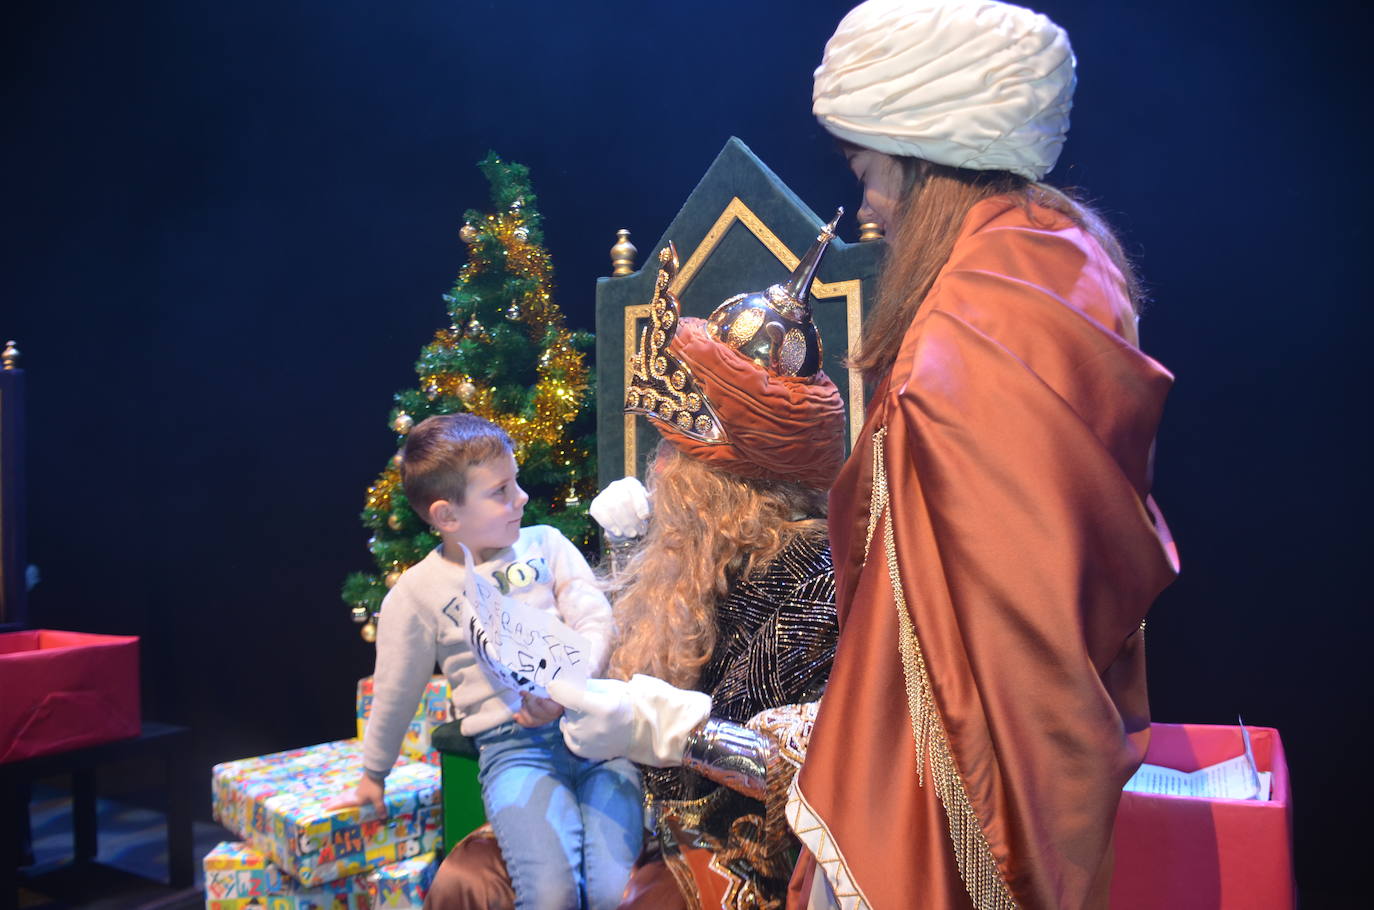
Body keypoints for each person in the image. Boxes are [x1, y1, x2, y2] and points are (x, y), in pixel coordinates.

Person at [784, 2, 1183, 907]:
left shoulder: (970, 322)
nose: (866, 204)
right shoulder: (1062, 251)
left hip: (951, 742)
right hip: (1041, 721)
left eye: (867, 170)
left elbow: (983, 597)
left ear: (923, 158)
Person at [425, 225, 850, 910]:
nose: (659, 467)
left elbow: (823, 771)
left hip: (736, 839)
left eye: (676, 453)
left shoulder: (816, 577)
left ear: (728, 479)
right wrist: (623, 562)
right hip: (628, 794)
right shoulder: (689, 544)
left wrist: (687, 736)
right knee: (469, 875)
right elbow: (626, 668)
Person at [334, 413, 643, 910]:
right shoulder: (417, 593)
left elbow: (594, 617)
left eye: (515, 481)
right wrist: (374, 774)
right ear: (447, 516)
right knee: (551, 894)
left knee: (617, 891)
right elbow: (395, 690)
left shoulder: (546, 544)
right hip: (515, 750)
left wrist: (568, 686)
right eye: (501, 491)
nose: (521, 497)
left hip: (596, 731)